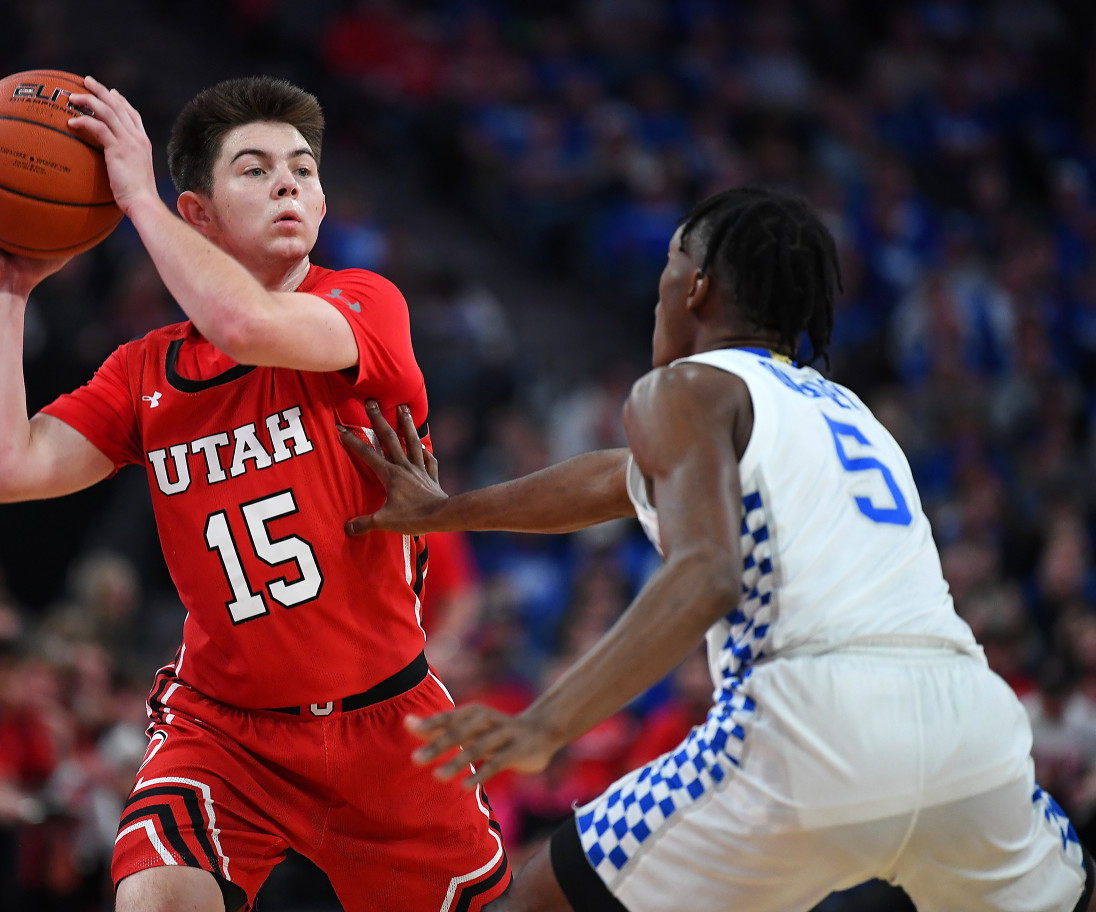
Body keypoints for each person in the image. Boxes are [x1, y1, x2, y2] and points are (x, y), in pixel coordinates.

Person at [339, 186, 1096, 911]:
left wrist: (546, 723)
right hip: (971, 726)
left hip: (813, 721)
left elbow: (707, 574)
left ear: (696, 286)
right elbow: (614, 481)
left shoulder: (683, 388)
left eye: (668, 269)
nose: (658, 292)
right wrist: (446, 512)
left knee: (536, 901)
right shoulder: (845, 411)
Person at [0, 74, 509, 912]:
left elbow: (246, 326)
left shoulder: (363, 304)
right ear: (199, 215)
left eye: (303, 169)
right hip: (226, 728)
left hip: (386, 720)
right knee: (157, 902)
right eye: (254, 169)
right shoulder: (146, 374)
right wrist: (5, 291)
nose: (289, 182)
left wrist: (134, 199)